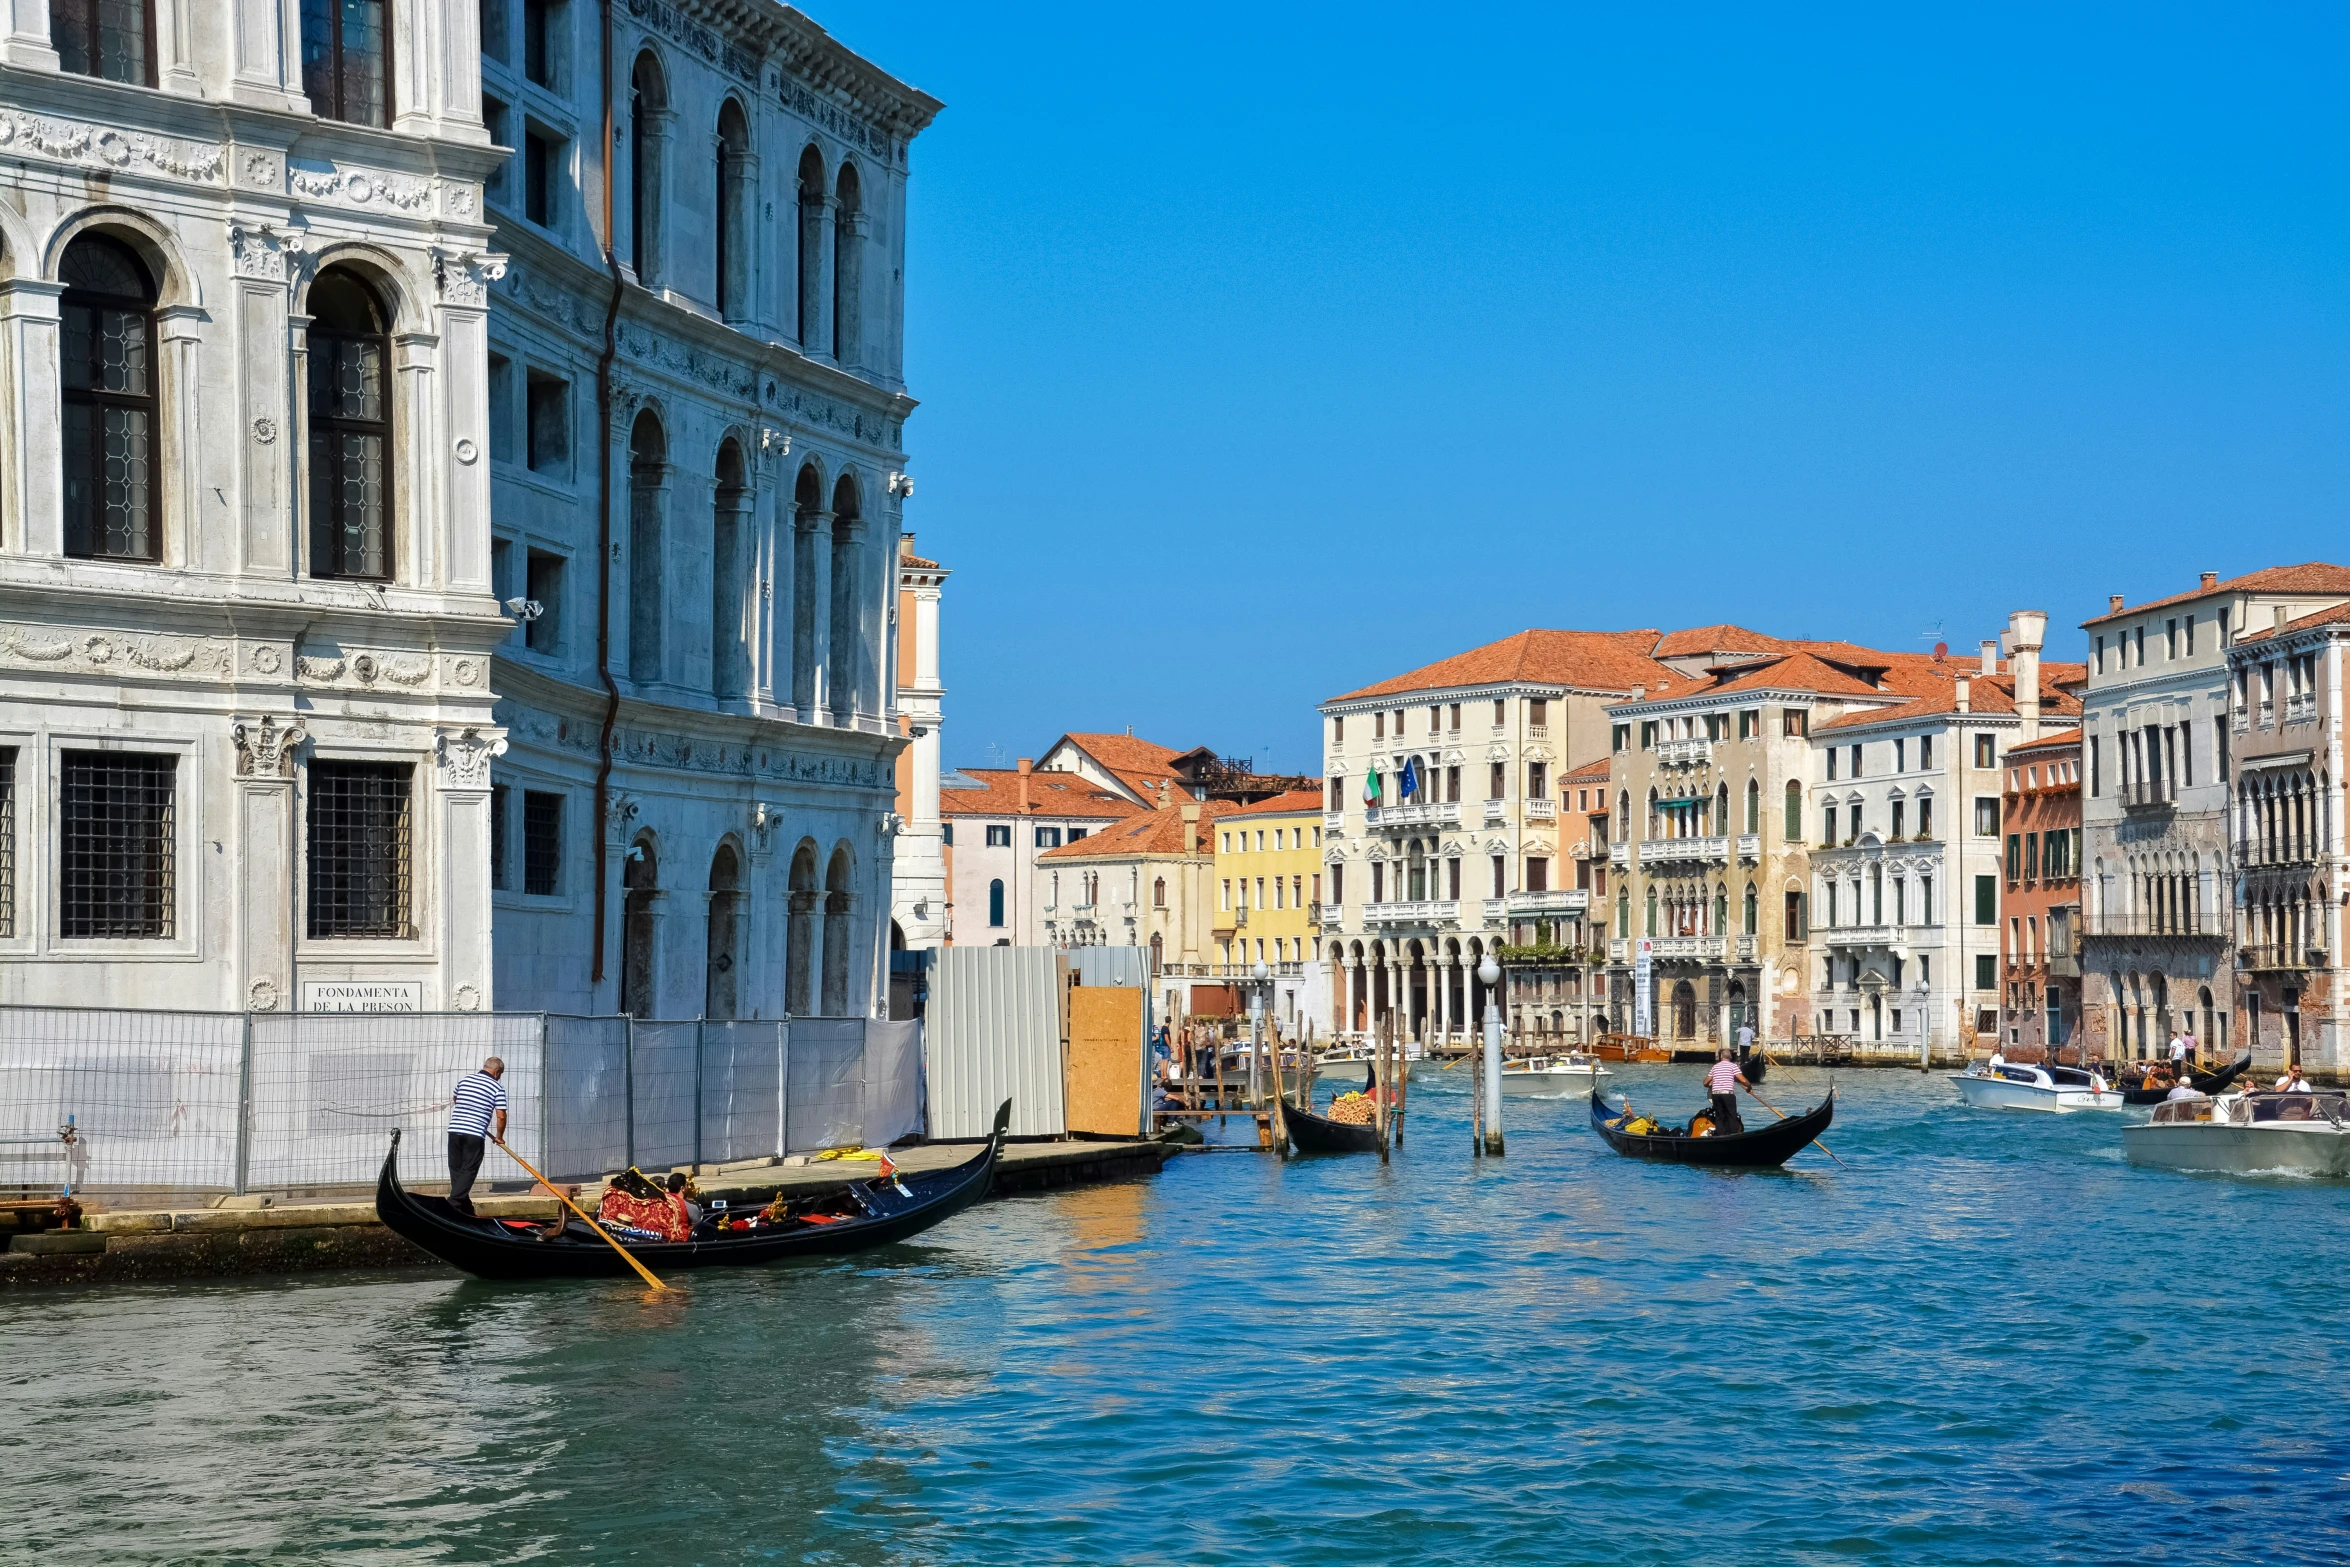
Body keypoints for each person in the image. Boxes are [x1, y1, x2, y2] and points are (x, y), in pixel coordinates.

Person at [447, 1056, 508, 1216]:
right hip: (474, 1133)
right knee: (469, 1169)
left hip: (454, 1130)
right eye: (500, 1074)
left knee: (457, 1169)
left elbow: (456, 1099)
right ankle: (452, 1205)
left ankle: (465, 1209)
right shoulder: (497, 1087)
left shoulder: (464, 1081)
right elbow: (501, 1115)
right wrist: (499, 1136)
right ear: (496, 1072)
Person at [1704, 1047, 1748, 1135]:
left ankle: (1720, 1136)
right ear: (1730, 1057)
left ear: (1721, 1057)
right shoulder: (1733, 1066)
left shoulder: (1715, 1067)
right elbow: (1743, 1080)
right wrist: (1749, 1087)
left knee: (1719, 1116)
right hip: (1727, 1094)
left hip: (1716, 1094)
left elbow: (1705, 1083)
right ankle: (1733, 1136)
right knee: (1732, 1116)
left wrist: (1711, 1084)